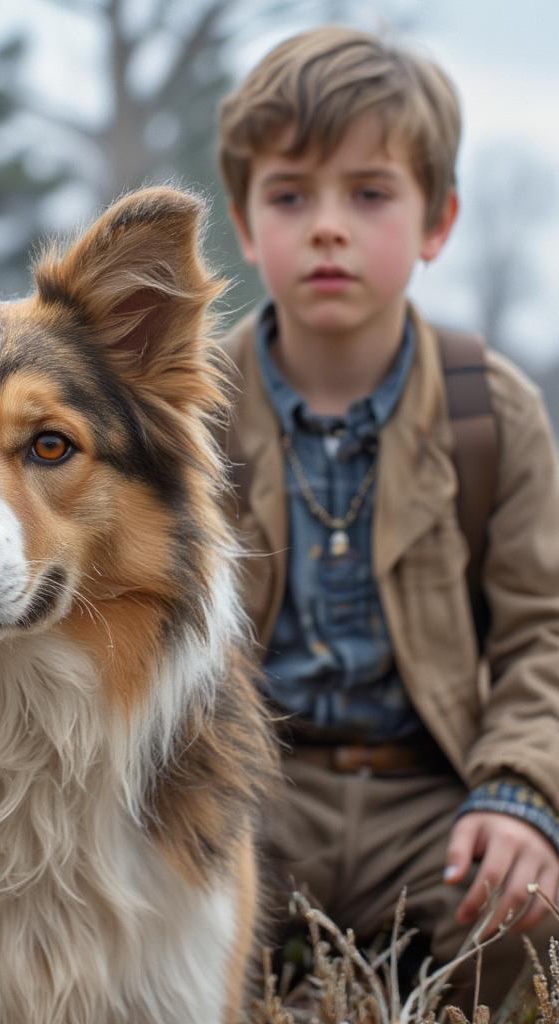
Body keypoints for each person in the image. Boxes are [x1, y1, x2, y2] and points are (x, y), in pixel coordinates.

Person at [215, 25, 559, 1004]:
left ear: (436, 221)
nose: (328, 227)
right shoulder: (186, 412)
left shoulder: (489, 409)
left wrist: (520, 792)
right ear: (244, 224)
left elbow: (544, 632)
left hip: (430, 791)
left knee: (531, 904)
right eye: (290, 195)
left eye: (369, 194)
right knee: (148, 917)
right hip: (245, 786)